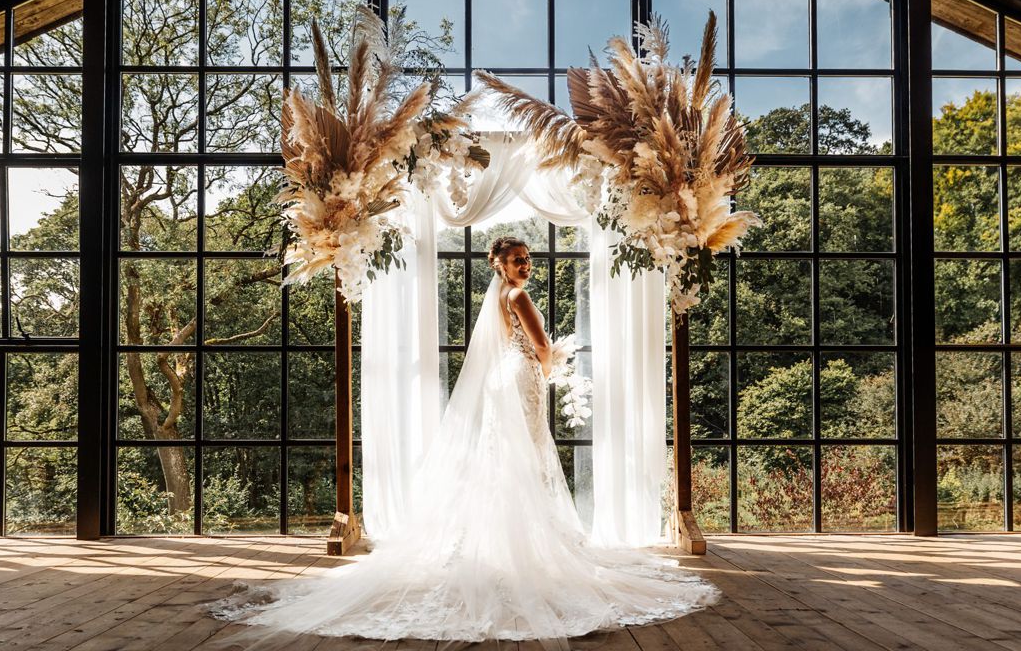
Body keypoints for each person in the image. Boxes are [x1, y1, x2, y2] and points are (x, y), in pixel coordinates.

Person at [207, 236, 721, 650]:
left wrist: (542, 363)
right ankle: (524, 552)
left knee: (505, 460)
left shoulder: (495, 296)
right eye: (517, 260)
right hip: (520, 376)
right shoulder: (517, 296)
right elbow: (540, 347)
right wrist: (554, 364)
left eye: (528, 259)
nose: (526, 266)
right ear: (499, 264)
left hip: (504, 376)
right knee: (527, 459)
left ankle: (501, 548)